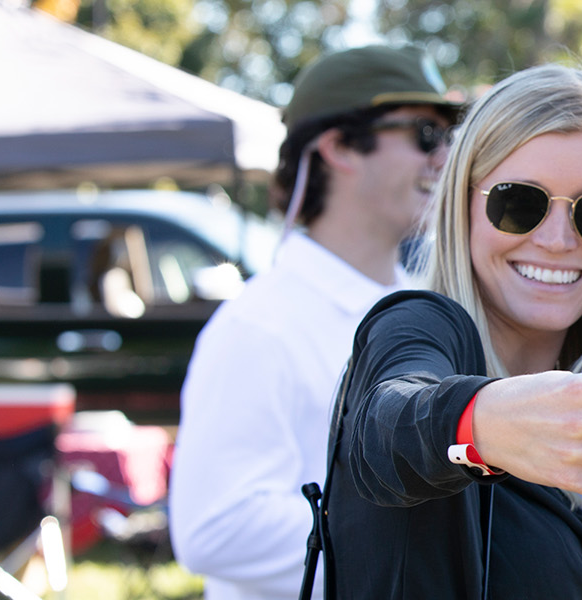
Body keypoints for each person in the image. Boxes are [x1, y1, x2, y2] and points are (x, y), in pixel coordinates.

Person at [320, 64, 582, 598]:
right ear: (462, 201)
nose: (556, 240)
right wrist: (479, 425)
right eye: (519, 203)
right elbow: (385, 426)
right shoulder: (421, 323)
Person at [169, 45, 461, 600]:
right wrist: (417, 543)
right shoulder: (257, 325)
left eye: (450, 137)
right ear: (341, 146)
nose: (445, 157)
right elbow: (215, 527)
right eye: (426, 134)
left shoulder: (432, 303)